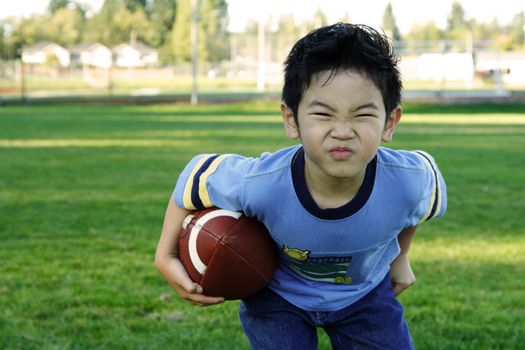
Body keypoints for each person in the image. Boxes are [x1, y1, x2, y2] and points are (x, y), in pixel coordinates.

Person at [155, 23, 447, 349]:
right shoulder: (261, 184)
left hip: (363, 293)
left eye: (362, 115)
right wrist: (165, 255)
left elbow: (417, 206)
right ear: (291, 119)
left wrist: (400, 257)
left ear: (389, 123)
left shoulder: (409, 181)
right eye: (323, 114)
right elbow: (193, 178)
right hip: (279, 296)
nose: (342, 131)